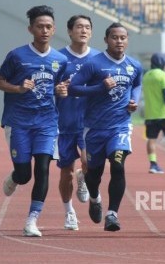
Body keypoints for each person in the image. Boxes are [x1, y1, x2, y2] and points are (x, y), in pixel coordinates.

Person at [0, 5, 67, 237]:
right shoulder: (17, 56)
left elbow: (60, 87)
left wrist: (61, 91)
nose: (44, 30)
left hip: (46, 122)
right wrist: (17, 87)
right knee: (25, 174)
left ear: (54, 29)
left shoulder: (60, 60)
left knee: (43, 168)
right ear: (30, 29)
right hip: (19, 122)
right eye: (39, 26)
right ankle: (15, 177)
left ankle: (32, 220)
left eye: (48, 27)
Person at [67, 22, 143, 231]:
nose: (119, 41)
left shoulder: (134, 65)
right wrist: (99, 87)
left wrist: (134, 100)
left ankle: (112, 214)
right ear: (106, 40)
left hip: (120, 126)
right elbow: (72, 88)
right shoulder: (94, 64)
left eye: (123, 38)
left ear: (127, 40)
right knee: (95, 174)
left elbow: (136, 84)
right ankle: (94, 197)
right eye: (114, 37)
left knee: (118, 165)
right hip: (94, 128)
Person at [55, 15, 100, 231]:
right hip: (63, 123)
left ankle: (86, 180)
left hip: (89, 123)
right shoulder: (58, 58)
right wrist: (57, 90)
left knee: (89, 163)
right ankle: (69, 212)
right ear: (70, 31)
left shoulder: (100, 59)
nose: (83, 31)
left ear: (91, 32)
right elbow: (47, 88)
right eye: (79, 27)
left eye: (87, 27)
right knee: (66, 173)